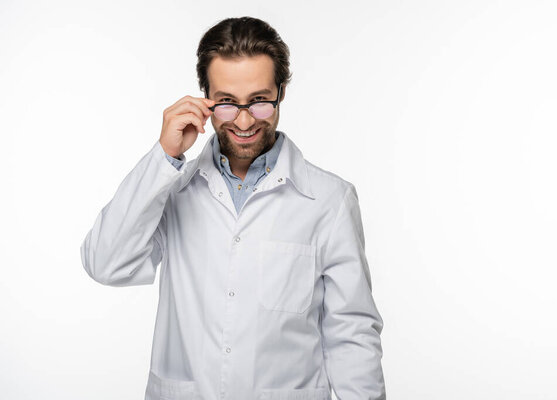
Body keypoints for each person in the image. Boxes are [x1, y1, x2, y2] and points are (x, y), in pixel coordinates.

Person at [80, 16, 386, 400]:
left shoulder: (329, 200)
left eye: (259, 101)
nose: (244, 121)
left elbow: (351, 333)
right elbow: (105, 264)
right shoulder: (172, 190)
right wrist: (164, 156)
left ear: (281, 92)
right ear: (204, 98)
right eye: (226, 103)